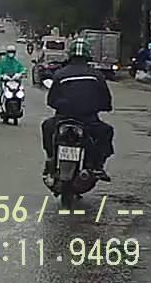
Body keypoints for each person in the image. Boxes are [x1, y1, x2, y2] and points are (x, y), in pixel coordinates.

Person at [41, 38, 115, 181]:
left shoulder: (60, 74)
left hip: (62, 119)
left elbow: (51, 101)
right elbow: (106, 100)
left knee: (47, 127)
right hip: (88, 120)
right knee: (106, 132)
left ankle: (50, 159)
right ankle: (97, 166)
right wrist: (103, 106)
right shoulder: (96, 75)